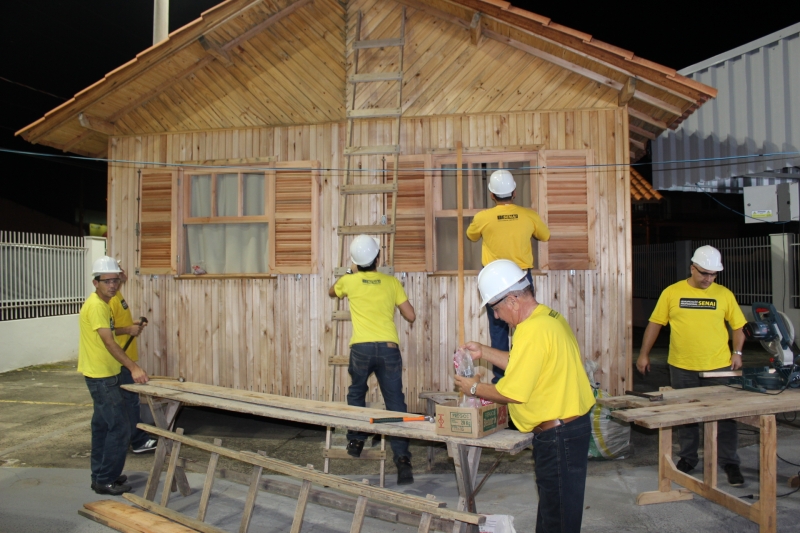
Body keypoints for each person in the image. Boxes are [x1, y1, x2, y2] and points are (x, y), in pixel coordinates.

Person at [453, 260, 595, 533]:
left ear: (513, 300)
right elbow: (524, 364)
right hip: (570, 428)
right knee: (557, 511)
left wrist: (472, 387)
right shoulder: (548, 318)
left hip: (558, 436)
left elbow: (513, 392)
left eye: (496, 308)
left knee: (558, 520)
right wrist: (485, 350)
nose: (496, 316)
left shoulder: (531, 331)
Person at [636, 245, 747, 486]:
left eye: (713, 274)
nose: (709, 279)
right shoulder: (672, 293)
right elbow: (655, 324)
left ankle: (730, 462)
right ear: (692, 268)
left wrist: (737, 352)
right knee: (686, 416)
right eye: (704, 273)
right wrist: (643, 354)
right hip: (682, 366)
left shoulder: (724, 294)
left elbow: (738, 326)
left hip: (719, 366)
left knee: (726, 417)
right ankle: (688, 458)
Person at [328, 235, 416, 485]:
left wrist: (350, 271)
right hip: (388, 347)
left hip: (361, 348)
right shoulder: (391, 282)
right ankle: (402, 460)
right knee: (395, 402)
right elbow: (411, 315)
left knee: (356, 392)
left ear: (356, 262)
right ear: (378, 258)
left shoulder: (349, 281)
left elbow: (332, 291)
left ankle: (355, 439)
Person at [466, 170, 550, 383]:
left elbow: (471, 235)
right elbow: (545, 235)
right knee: (526, 326)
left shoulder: (483, 217)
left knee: (498, 329)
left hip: (494, 282)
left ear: (492, 195)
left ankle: (501, 380)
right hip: (521, 279)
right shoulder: (528, 215)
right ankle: (526, 374)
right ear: (513, 192)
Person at [79, 256, 149, 496]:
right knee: (119, 427)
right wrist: (133, 367)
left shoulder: (106, 301)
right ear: (95, 282)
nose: (112, 285)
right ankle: (106, 480)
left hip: (105, 373)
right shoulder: (98, 306)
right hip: (102, 377)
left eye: (115, 280)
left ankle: (101, 475)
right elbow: (110, 343)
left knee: (101, 427)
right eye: (107, 281)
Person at [111, 263, 157, 454]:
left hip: (125, 353)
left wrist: (132, 325)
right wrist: (127, 330)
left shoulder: (117, 296)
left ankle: (135, 438)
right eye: (118, 272)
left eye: (122, 271)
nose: (123, 274)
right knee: (129, 400)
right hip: (119, 357)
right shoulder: (108, 301)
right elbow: (106, 330)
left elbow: (116, 324)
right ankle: (137, 441)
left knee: (130, 399)